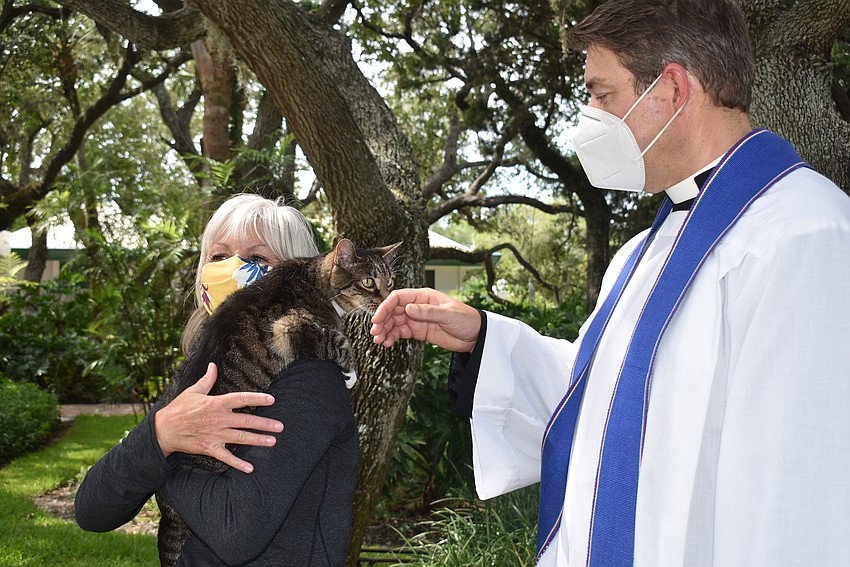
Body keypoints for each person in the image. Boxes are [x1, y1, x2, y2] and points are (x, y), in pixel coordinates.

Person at [370, 1, 850, 566]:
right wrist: (482, 339)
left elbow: (798, 498)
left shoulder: (803, 234)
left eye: (603, 95)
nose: (590, 116)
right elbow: (606, 403)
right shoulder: (642, 251)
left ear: (671, 89)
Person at [75, 194, 359, 566]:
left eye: (258, 258)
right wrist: (162, 433)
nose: (233, 268)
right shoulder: (207, 365)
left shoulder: (310, 377)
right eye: (219, 256)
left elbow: (235, 529)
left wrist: (162, 456)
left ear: (301, 275)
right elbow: (93, 510)